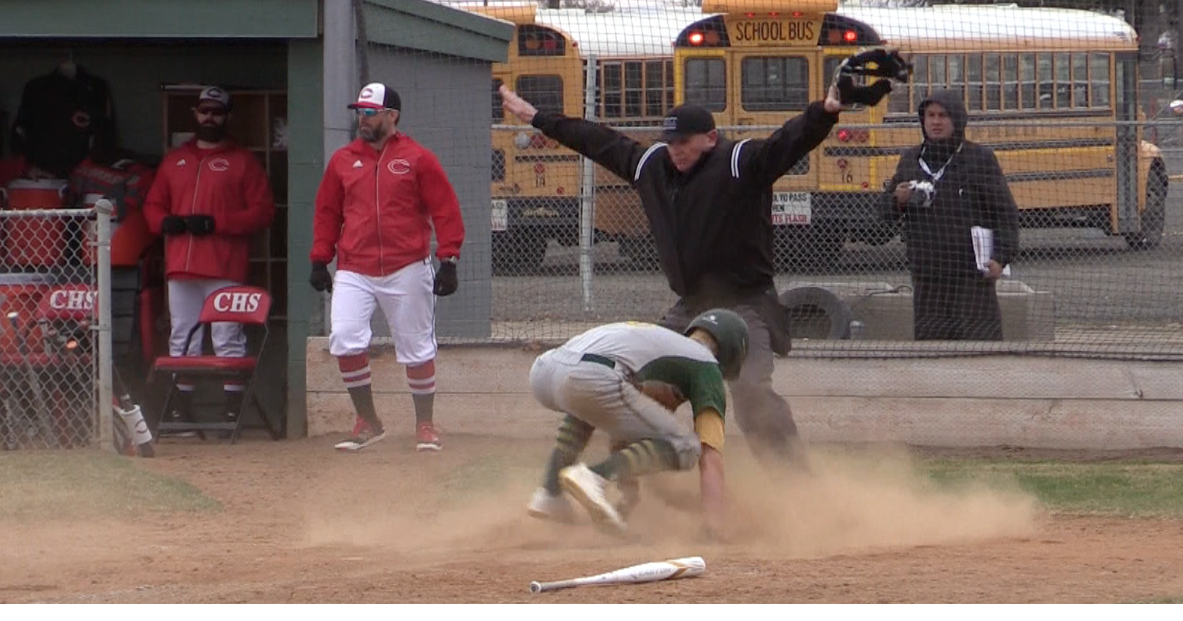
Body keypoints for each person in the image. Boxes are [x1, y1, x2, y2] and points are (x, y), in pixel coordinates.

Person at [500, 73, 892, 470]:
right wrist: (537, 117)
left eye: (684, 142)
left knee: (752, 391)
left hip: (747, 306)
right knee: (640, 388)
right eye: (670, 143)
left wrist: (825, 111)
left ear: (710, 137)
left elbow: (787, 144)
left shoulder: (740, 163)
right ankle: (627, 484)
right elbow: (598, 141)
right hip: (690, 308)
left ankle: (794, 483)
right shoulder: (652, 166)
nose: (676, 151)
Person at [310, 82, 465, 453]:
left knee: (416, 347)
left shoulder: (418, 158)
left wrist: (449, 259)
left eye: (369, 112)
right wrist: (319, 258)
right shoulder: (343, 160)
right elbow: (327, 211)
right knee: (345, 337)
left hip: (406, 266)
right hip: (354, 266)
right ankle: (368, 421)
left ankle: (424, 424)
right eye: (359, 113)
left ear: (391, 116)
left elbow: (446, 209)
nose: (361, 119)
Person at [525, 309, 749, 540]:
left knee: (588, 398)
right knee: (687, 446)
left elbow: (621, 425)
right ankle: (593, 477)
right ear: (728, 357)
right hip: (591, 376)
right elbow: (709, 455)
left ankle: (550, 493)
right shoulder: (706, 365)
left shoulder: (661, 346)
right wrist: (714, 526)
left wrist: (627, 495)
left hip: (545, 372)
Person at [143, 86, 276, 433]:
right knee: (181, 336)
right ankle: (179, 407)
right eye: (204, 111)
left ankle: (233, 406)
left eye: (217, 112)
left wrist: (219, 223)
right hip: (180, 266)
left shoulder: (243, 161)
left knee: (226, 336)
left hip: (224, 264)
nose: (210, 117)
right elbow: (153, 205)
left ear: (227, 116)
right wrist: (163, 223)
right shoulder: (175, 160)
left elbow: (263, 212)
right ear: (195, 113)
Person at [882, 89, 1020, 341]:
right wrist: (897, 201)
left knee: (978, 352)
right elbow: (883, 218)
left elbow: (1005, 214)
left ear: (956, 120)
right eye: (930, 115)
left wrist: (1000, 258)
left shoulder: (979, 159)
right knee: (933, 352)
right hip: (928, 278)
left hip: (972, 278)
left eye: (943, 116)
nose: (935, 122)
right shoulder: (911, 160)